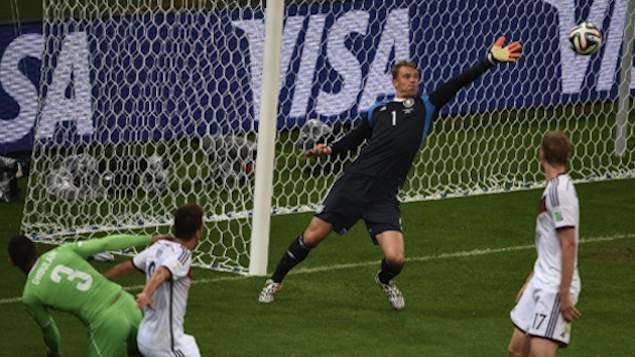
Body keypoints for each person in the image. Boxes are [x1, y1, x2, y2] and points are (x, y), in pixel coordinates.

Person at [258, 36, 523, 309]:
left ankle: (385, 280)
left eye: (416, 77)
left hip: (383, 195)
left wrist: (489, 60)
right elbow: (355, 138)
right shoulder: (378, 111)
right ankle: (275, 280)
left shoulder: (426, 107)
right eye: (407, 77)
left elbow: (457, 83)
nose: (413, 81)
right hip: (353, 184)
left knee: (396, 259)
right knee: (311, 237)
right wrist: (329, 150)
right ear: (394, 82)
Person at [8, 232, 166, 357]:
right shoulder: (62, 251)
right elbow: (106, 243)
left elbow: (50, 332)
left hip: (107, 323)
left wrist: (54, 352)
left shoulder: (30, 294)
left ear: (12, 262)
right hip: (129, 305)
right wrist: (149, 239)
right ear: (35, 248)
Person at [507, 131, 582, 357]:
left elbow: (569, 244)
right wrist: (531, 279)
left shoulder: (560, 192)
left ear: (541, 154)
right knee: (516, 350)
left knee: (539, 354)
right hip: (541, 278)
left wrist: (564, 293)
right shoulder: (553, 188)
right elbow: (550, 245)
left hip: (554, 286)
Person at [104, 203, 204, 357]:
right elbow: (161, 273)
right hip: (165, 344)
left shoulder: (159, 246)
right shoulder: (182, 255)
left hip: (145, 336)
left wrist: (99, 280)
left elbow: (126, 266)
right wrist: (146, 294)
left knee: (190, 344)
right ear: (198, 232)